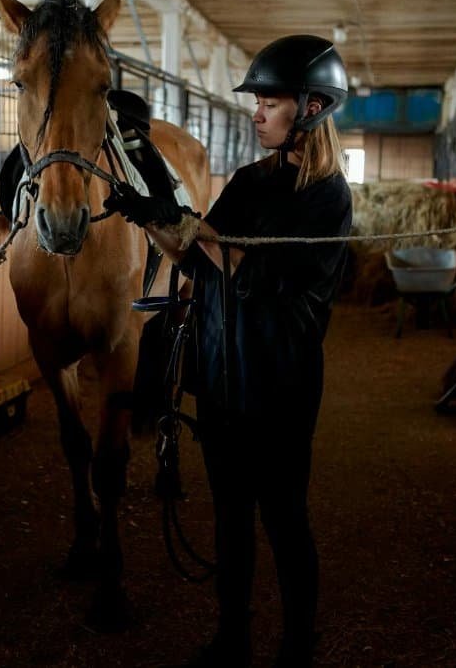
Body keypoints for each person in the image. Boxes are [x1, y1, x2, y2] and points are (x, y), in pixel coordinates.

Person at [106, 34, 354, 667]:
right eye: (258, 102)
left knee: (285, 520)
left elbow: (258, 271)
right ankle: (233, 637)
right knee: (230, 516)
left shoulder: (327, 196)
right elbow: (196, 255)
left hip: (279, 381)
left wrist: (190, 224)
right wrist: (151, 214)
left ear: (313, 106)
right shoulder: (248, 179)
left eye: (270, 101)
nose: (257, 112)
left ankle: (297, 644)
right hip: (221, 370)